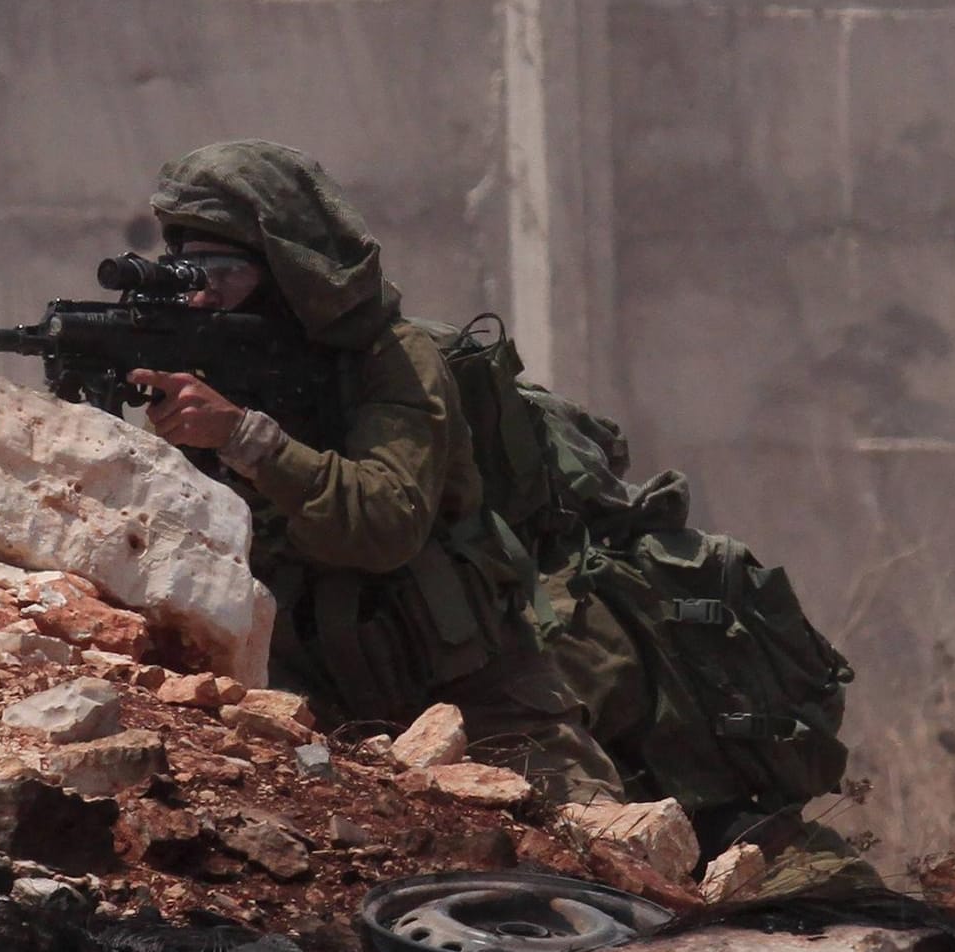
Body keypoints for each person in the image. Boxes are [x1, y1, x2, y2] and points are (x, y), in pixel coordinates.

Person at [124, 139, 635, 806]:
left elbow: (382, 524)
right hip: (316, 719)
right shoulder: (206, 375)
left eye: (222, 268)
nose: (201, 293)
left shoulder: (392, 358)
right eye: (187, 269)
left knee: (600, 874)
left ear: (287, 270)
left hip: (475, 705)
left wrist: (244, 437)